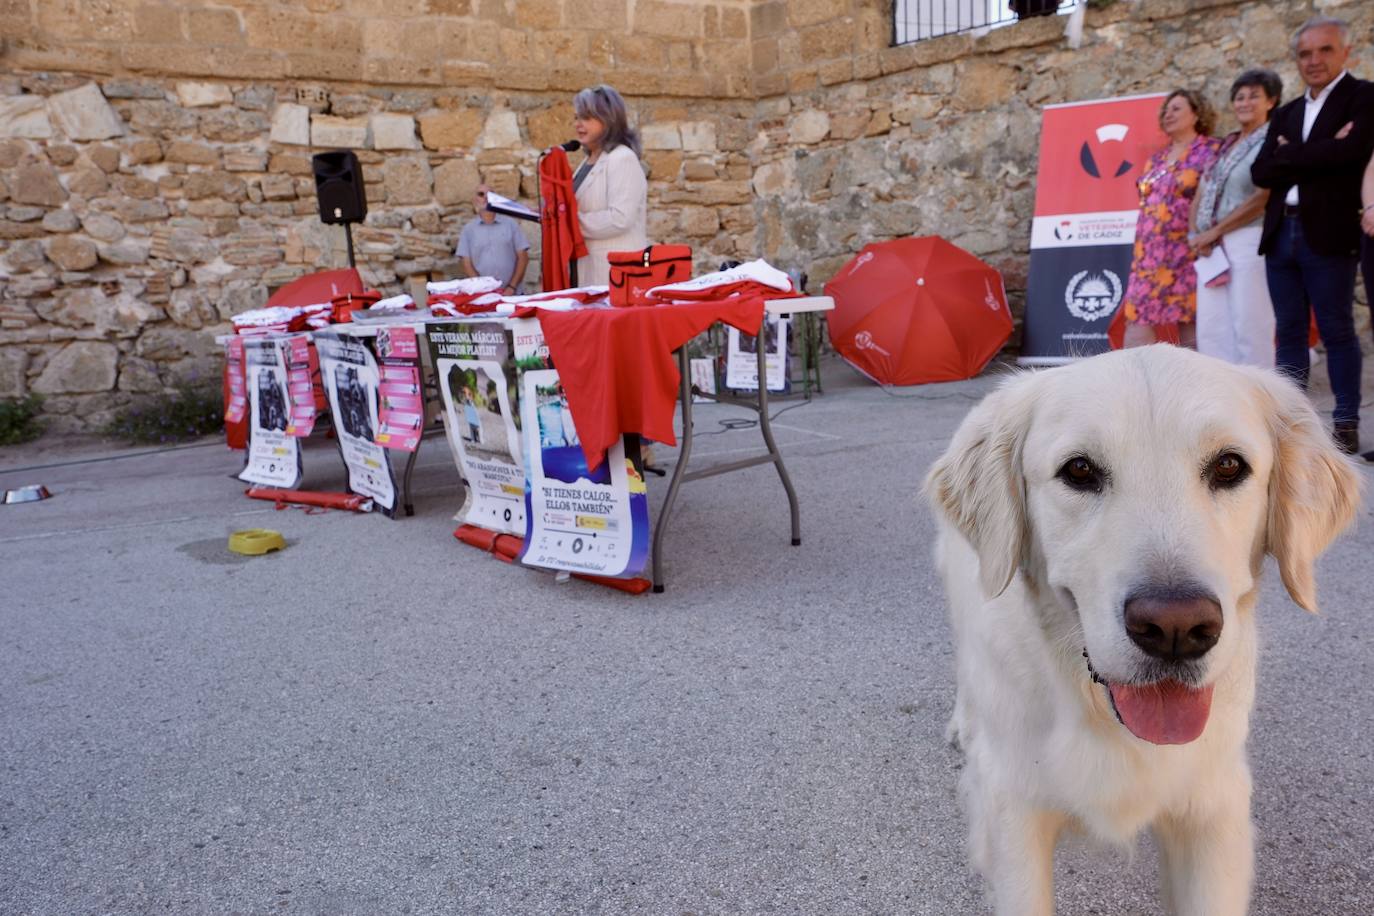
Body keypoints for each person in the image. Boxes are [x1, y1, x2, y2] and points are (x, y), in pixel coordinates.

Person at [1251, 15, 1374, 454]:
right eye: (1305, 53)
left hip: (1330, 230)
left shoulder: (1363, 96)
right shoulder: (1286, 112)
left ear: (1346, 52)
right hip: (1281, 231)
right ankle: (1292, 425)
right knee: (1288, 332)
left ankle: (1345, 422)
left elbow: (1353, 152)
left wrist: (1292, 155)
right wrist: (1322, 153)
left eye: (1324, 50)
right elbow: (1261, 170)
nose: (1314, 60)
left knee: (1337, 329)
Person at [1188, 69, 1282, 368]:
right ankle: (1220, 401)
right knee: (1211, 329)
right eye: (1240, 97)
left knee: (1250, 322)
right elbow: (1202, 192)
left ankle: (1260, 399)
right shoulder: (1225, 145)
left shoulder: (1271, 141)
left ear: (1271, 101)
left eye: (1254, 96)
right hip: (1210, 247)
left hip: (1247, 238)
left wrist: (1213, 232)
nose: (1245, 102)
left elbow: (1262, 197)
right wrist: (1196, 236)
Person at [1121, 90, 1222, 348]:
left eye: (1176, 109)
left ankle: (1196, 383)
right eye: (1166, 110)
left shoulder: (1211, 151)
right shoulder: (1156, 160)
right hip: (1149, 254)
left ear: (1196, 114)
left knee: (1190, 320)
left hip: (1187, 251)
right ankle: (1138, 381)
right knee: (1137, 318)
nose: (1168, 114)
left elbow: (1218, 199)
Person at [571, 84, 647, 287]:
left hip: (615, 272)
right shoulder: (586, 162)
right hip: (589, 268)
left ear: (608, 120)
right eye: (577, 117)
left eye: (586, 118)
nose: (578, 124)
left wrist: (569, 224)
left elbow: (620, 218)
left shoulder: (622, 158)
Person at [455, 185, 529, 296]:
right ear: (475, 200)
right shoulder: (468, 230)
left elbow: (523, 257)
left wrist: (511, 287)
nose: (485, 197)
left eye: (489, 194)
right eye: (481, 194)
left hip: (513, 294)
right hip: (483, 297)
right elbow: (466, 262)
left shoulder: (511, 224)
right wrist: (482, 289)